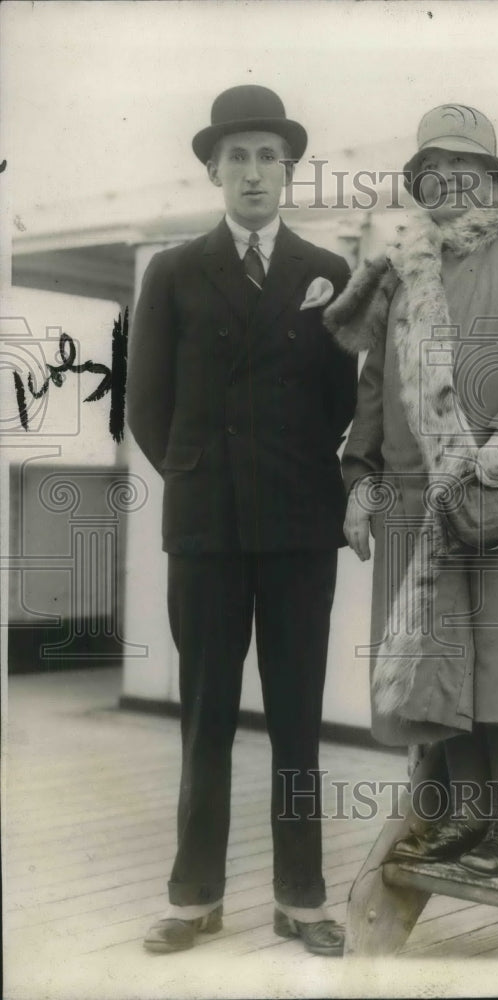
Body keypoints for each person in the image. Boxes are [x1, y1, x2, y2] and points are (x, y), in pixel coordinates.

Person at [127, 85, 357, 956]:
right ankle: (194, 898)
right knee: (206, 717)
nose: (253, 172)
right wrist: (199, 480)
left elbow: (341, 401)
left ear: (288, 170)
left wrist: (297, 482)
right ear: (213, 170)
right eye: (238, 157)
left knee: (297, 718)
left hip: (301, 532)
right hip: (209, 535)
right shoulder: (175, 271)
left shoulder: (325, 272)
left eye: (269, 156)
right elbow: (147, 406)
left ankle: (302, 899)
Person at [324, 104, 498, 875]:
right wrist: (360, 478)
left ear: (494, 180)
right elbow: (374, 384)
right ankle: (465, 815)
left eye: (466, 168)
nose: (449, 181)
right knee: (437, 663)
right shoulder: (402, 272)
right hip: (414, 499)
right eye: (433, 170)